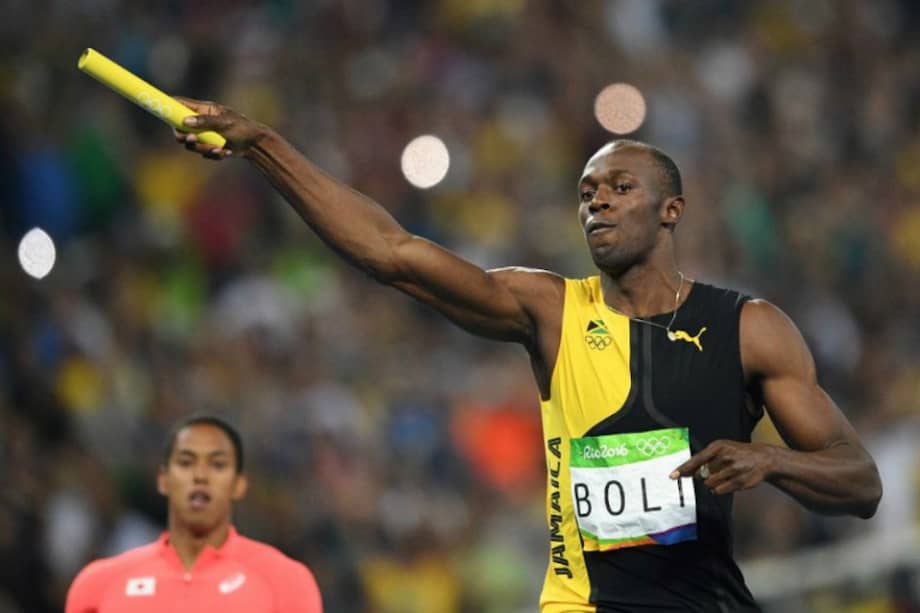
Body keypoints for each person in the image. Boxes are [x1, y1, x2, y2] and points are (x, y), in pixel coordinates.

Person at [173, 101, 882, 612]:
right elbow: (392, 253)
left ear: (672, 209)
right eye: (585, 193)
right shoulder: (549, 310)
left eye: (620, 187)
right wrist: (263, 144)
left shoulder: (748, 328)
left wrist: (771, 459)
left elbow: (859, 481)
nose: (596, 202)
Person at [65, 415, 323, 613]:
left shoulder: (285, 580)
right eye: (186, 463)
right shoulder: (98, 584)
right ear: (163, 479)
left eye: (217, 464)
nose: (200, 476)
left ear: (238, 484)